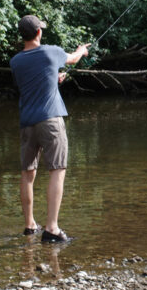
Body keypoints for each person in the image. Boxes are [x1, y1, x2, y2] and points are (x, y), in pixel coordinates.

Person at [9, 15, 90, 243]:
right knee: (57, 169)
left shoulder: (15, 61)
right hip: (51, 120)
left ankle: (29, 225)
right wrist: (81, 50)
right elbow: (73, 59)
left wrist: (53, 80)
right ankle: (52, 228)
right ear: (38, 33)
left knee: (27, 173)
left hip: (27, 122)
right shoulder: (50, 52)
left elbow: (29, 85)